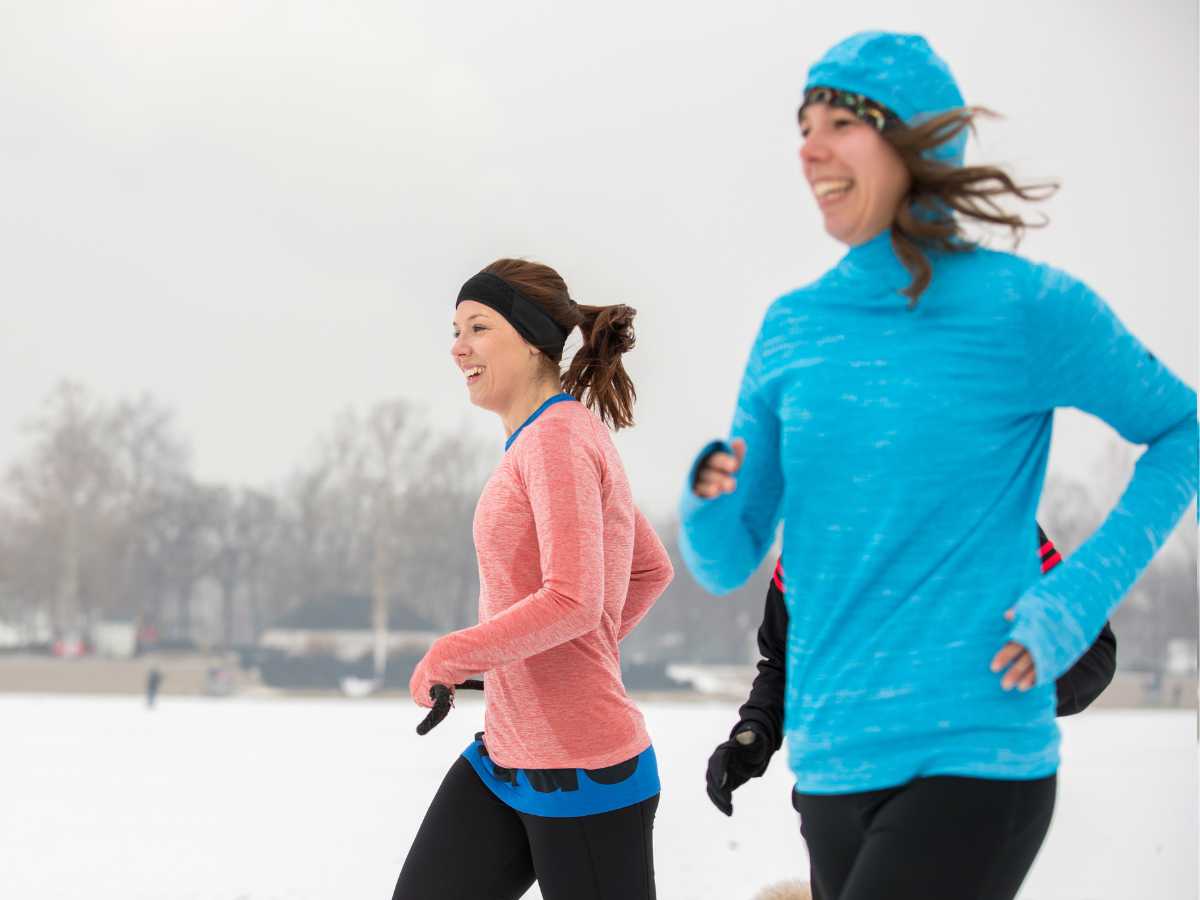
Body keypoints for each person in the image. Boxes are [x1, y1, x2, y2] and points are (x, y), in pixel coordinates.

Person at [678, 30, 1197, 900]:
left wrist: (1075, 601)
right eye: (803, 123)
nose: (808, 147)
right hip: (832, 769)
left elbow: (1181, 430)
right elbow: (731, 557)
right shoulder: (793, 329)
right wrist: (706, 501)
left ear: (913, 140)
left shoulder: (1023, 308)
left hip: (975, 754)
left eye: (840, 120)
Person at [392, 259, 674, 900]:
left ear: (528, 338)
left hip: (584, 767)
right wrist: (531, 660)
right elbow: (646, 569)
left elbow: (575, 598)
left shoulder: (557, 441)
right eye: (456, 330)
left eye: (478, 327)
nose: (458, 347)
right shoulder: (549, 439)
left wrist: (453, 653)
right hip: (508, 757)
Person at [706, 527, 1119, 821]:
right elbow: (784, 663)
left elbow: (1091, 650)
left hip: (954, 801)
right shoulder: (811, 535)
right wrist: (755, 735)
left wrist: (991, 694)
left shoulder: (989, 514)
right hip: (835, 800)